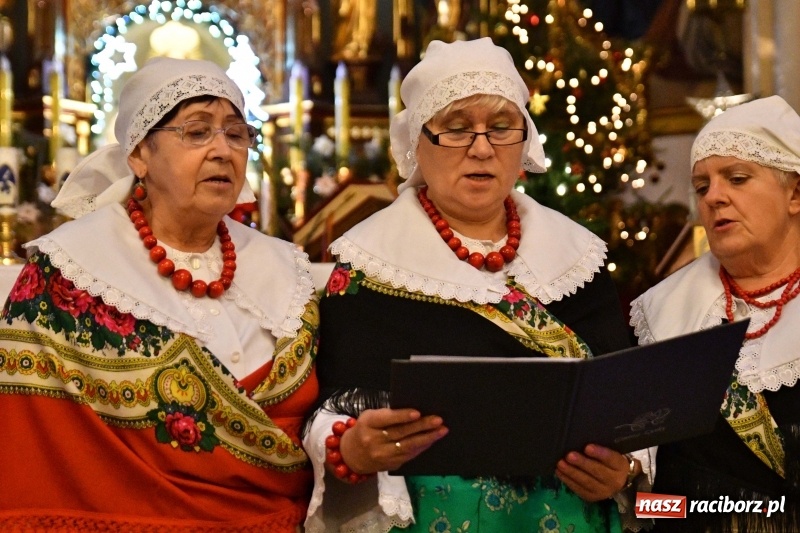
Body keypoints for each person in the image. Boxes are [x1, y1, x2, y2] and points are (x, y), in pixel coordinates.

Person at [303, 38, 651, 533]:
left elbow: (631, 401)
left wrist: (625, 471)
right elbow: (327, 410)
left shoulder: (579, 259)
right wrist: (351, 447)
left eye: (501, 127)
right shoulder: (366, 267)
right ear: (418, 141)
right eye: (457, 128)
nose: (482, 148)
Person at [0, 58, 319, 531]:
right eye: (197, 132)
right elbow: (33, 446)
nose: (223, 151)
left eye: (236, 134)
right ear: (138, 155)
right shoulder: (69, 272)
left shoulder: (285, 268)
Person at [630, 95, 800, 532]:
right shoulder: (658, 315)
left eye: (737, 178)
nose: (714, 197)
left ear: (795, 193)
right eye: (702, 187)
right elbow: (648, 505)